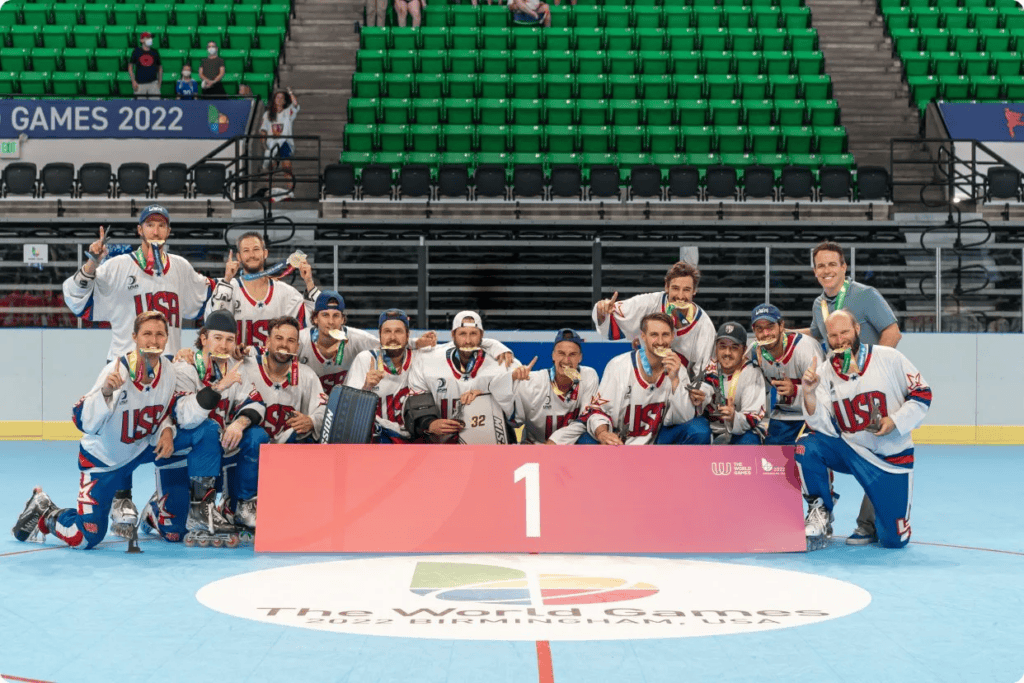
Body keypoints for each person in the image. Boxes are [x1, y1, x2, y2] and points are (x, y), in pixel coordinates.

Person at [11, 312, 224, 550]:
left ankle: (163, 511)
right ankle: (45, 512)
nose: (153, 340)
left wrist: (166, 430)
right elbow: (82, 420)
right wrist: (105, 393)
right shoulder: (117, 371)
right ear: (134, 337)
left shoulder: (169, 370)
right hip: (105, 460)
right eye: (147, 334)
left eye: (159, 334)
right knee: (87, 537)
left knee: (205, 431)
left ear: (167, 338)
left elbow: (165, 409)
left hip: (142, 447)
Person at [798, 310, 931, 550]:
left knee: (894, 541)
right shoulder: (823, 373)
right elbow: (821, 426)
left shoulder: (889, 357)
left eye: (845, 332)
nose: (840, 340)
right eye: (833, 336)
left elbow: (922, 393)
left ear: (857, 329)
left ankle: (875, 515)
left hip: (891, 459)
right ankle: (821, 510)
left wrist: (895, 421)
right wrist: (808, 393)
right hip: (852, 452)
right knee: (807, 446)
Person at [806, 240, 902, 545]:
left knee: (880, 449)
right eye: (821, 265)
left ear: (844, 267)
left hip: (875, 391)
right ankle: (824, 512)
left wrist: (871, 372)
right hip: (841, 393)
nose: (827, 270)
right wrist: (778, 334)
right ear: (815, 271)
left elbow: (892, 332)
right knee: (820, 444)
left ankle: (868, 524)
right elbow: (815, 336)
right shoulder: (819, 305)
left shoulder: (865, 295)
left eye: (832, 264)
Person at [151, 309, 268, 542]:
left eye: (229, 339)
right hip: (183, 452)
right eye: (217, 338)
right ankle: (154, 511)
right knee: (175, 531)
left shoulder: (235, 368)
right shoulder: (185, 368)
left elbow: (256, 403)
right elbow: (185, 417)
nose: (224, 345)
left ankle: (240, 505)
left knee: (256, 435)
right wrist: (219, 387)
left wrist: (239, 423)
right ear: (204, 338)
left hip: (214, 452)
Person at [62, 205, 215, 362]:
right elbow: (76, 297)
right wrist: (92, 262)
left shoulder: (180, 267)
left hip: (168, 367)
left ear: (168, 231)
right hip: (125, 366)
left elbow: (212, 295)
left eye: (161, 226)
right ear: (140, 230)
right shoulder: (118, 266)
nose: (155, 232)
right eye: (150, 225)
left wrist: (229, 279)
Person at [233, 316, 326, 532]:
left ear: (297, 347)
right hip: (245, 451)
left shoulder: (307, 375)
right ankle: (244, 503)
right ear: (267, 341)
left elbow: (323, 409)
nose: (284, 344)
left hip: (284, 454)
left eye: (291, 340)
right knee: (255, 435)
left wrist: (312, 420)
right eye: (279, 338)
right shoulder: (246, 366)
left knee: (306, 439)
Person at [579, 313, 710, 445]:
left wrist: (675, 379)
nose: (660, 342)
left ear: (672, 337)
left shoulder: (678, 369)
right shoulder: (618, 366)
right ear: (643, 336)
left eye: (665, 334)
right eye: (654, 335)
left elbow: (684, 418)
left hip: (658, 442)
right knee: (586, 440)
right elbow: (598, 410)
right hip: (620, 442)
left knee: (698, 429)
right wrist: (603, 433)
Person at [592, 261, 715, 381]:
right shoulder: (648, 304)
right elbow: (609, 318)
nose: (680, 296)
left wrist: (695, 390)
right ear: (666, 287)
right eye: (675, 288)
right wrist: (602, 310)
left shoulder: (705, 327)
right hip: (646, 379)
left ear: (694, 291)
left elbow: (703, 377)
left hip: (679, 385)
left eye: (686, 289)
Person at [405, 311, 517, 441]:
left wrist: (487, 399)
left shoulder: (502, 362)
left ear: (481, 335)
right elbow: (417, 399)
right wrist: (428, 422)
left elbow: (514, 414)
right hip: (439, 445)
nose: (468, 341)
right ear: (453, 335)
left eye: (473, 334)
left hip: (484, 443)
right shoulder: (427, 359)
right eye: (462, 334)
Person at [209, 231, 313, 349]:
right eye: (246, 250)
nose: (252, 255)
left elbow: (312, 323)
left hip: (273, 361)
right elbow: (215, 324)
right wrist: (227, 279)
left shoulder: (287, 293)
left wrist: (309, 282)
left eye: (256, 249)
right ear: (238, 257)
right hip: (237, 360)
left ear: (265, 253)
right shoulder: (226, 289)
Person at [343, 309, 428, 443]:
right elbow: (348, 410)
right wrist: (366, 387)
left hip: (415, 437)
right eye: (387, 331)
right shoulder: (366, 359)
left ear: (407, 335)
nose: (392, 337)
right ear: (380, 335)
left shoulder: (420, 359)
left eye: (398, 331)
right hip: (378, 437)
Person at [748, 303, 823, 445]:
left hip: (813, 415)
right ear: (754, 331)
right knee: (771, 453)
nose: (766, 333)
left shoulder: (805, 347)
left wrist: (795, 390)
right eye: (759, 329)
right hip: (782, 416)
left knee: (807, 449)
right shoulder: (754, 351)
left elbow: (825, 394)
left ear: (781, 326)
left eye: (770, 327)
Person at [511, 328, 599, 445]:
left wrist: (555, 441)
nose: (566, 360)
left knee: (590, 438)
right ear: (553, 356)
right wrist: (512, 378)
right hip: (535, 447)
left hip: (569, 447)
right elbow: (515, 423)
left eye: (572, 354)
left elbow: (586, 418)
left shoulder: (588, 376)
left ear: (580, 358)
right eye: (561, 353)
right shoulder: (531, 382)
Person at [691, 322, 768, 445]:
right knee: (695, 429)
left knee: (748, 441)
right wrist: (698, 397)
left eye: (734, 348)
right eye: (722, 347)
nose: (727, 353)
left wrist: (734, 417)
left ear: (744, 350)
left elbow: (753, 418)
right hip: (711, 428)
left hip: (743, 431)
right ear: (716, 348)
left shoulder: (752, 373)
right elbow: (702, 389)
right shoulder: (708, 368)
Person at [260, 88, 301, 188]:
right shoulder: (267, 114)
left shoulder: (288, 113)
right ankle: (269, 191)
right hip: (271, 143)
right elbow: (263, 130)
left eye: (282, 98)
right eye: (277, 97)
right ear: (274, 99)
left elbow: (295, 104)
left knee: (287, 168)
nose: (279, 99)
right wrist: (264, 145)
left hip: (284, 142)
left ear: (285, 101)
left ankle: (290, 192)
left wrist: (290, 92)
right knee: (271, 170)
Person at [128, 31, 162, 98]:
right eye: (147, 38)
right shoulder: (136, 51)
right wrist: (133, 81)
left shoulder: (155, 52)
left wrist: (159, 82)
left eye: (150, 38)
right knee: (140, 104)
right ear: (142, 40)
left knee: (156, 103)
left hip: (153, 84)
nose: (150, 39)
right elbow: (130, 67)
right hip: (140, 84)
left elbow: (160, 68)